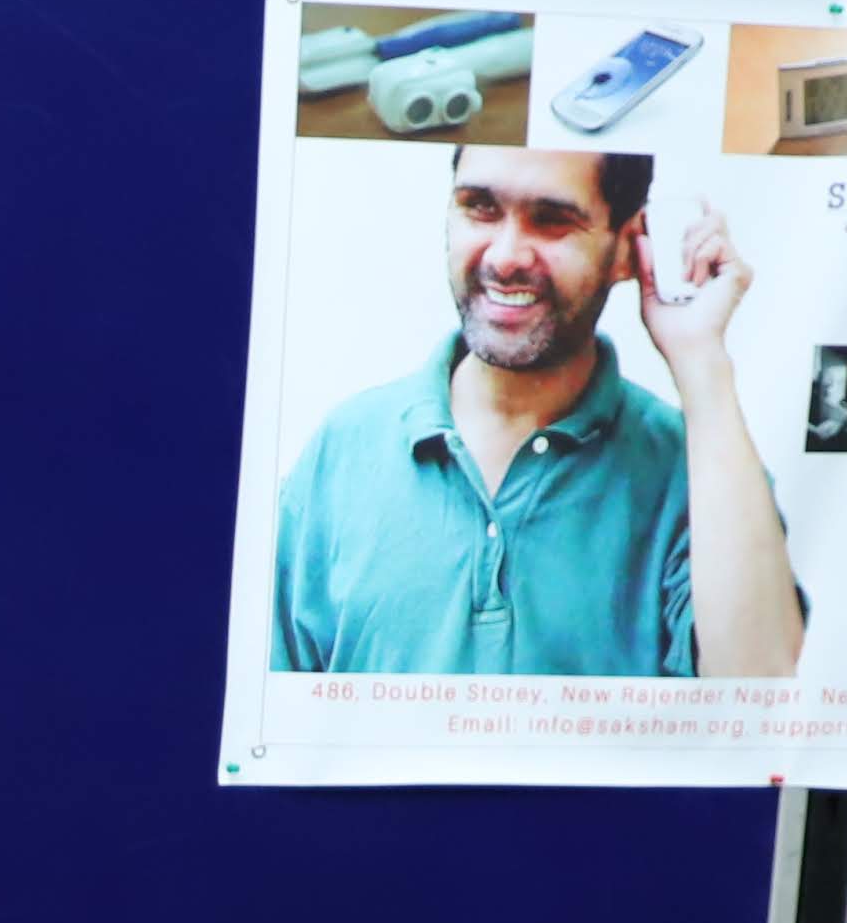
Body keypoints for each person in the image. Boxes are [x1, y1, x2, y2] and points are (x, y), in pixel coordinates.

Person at [269, 145, 797, 677]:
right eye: (480, 208)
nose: (505, 258)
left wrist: (701, 360)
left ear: (627, 248)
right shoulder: (343, 452)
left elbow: (760, 693)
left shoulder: (700, 472)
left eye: (552, 220)